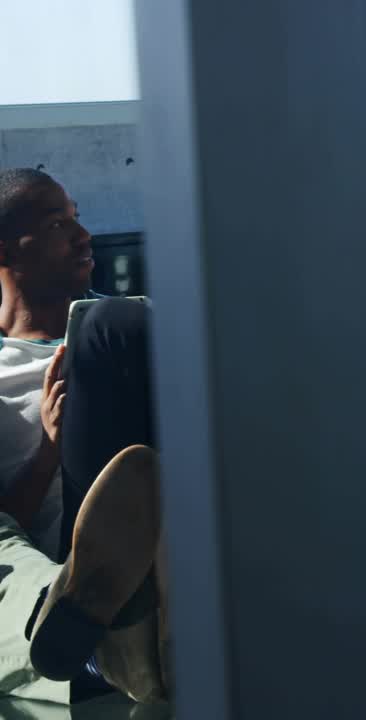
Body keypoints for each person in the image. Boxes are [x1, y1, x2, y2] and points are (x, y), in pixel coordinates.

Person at [0, 168, 168, 704]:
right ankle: (103, 634)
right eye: (57, 224)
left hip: (174, 524)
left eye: (77, 216)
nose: (83, 235)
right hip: (71, 564)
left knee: (115, 324)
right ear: (7, 252)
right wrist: (50, 446)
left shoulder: (134, 327)